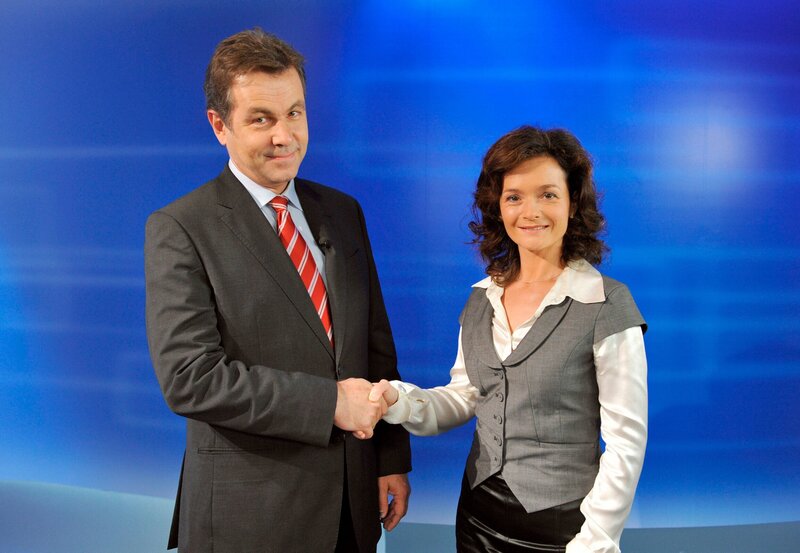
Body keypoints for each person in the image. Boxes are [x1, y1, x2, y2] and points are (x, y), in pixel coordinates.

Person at [145, 28, 411, 553]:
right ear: (219, 125)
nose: (284, 136)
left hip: (353, 506)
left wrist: (389, 459)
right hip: (251, 516)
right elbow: (190, 378)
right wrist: (330, 403)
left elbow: (374, 346)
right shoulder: (181, 227)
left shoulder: (343, 212)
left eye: (294, 113)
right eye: (261, 119)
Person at [370, 126, 647, 552]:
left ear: (573, 203)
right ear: (498, 207)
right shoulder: (482, 298)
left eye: (548, 194)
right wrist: (398, 401)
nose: (530, 211)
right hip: (477, 517)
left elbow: (626, 442)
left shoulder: (606, 303)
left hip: (564, 529)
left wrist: (595, 541)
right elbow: (466, 396)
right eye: (514, 197)